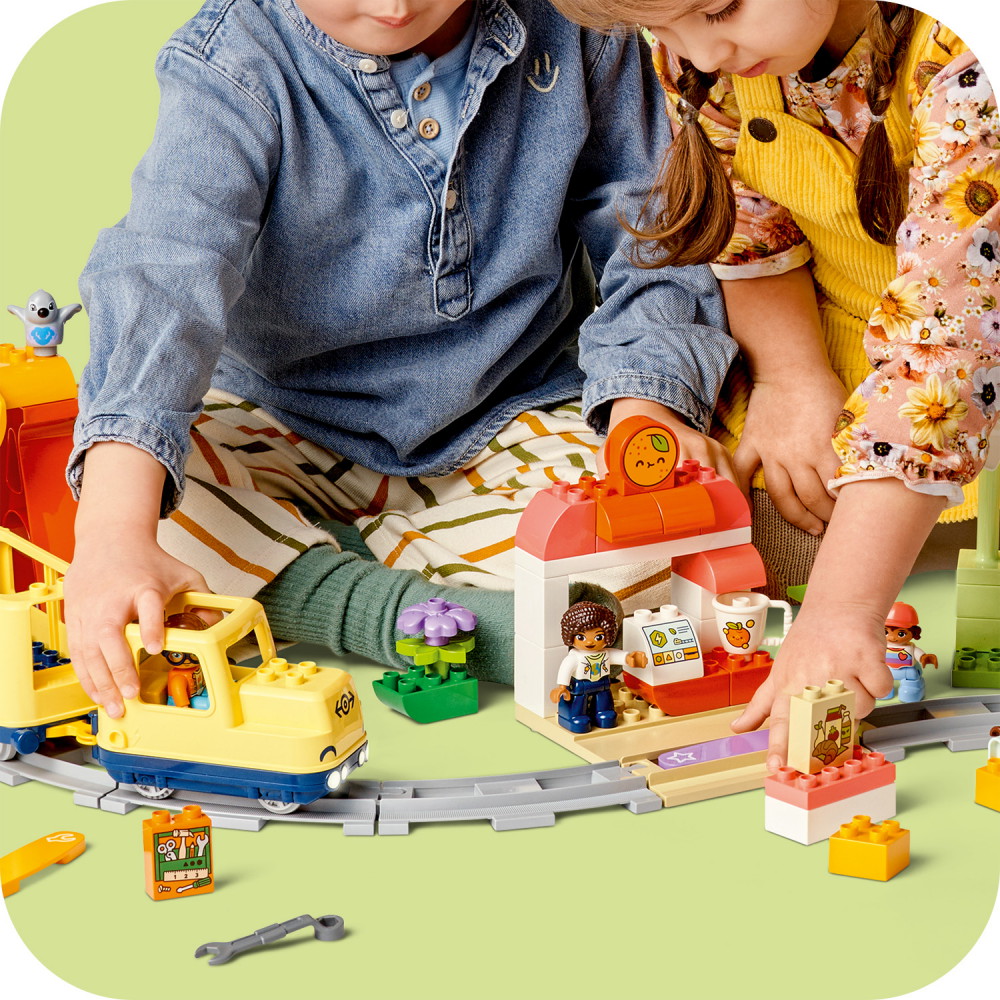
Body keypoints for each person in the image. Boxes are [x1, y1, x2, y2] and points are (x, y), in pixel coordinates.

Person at [63, 0, 739, 719]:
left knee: (655, 558)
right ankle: (392, 610)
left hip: (508, 412)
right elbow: (167, 274)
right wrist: (113, 533)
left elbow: (655, 231)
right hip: (277, 422)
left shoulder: (577, 24)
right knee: (129, 498)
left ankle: (321, 559)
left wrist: (643, 408)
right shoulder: (233, 61)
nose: (394, 7)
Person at [549, 0, 999, 767]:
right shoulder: (712, 53)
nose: (698, 53)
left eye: (718, 9)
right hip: (840, 321)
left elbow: (951, 346)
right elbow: (745, 223)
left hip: (961, 346)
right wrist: (790, 376)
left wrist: (841, 612)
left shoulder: (964, 57)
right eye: (662, 30)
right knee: (751, 513)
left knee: (855, 573)